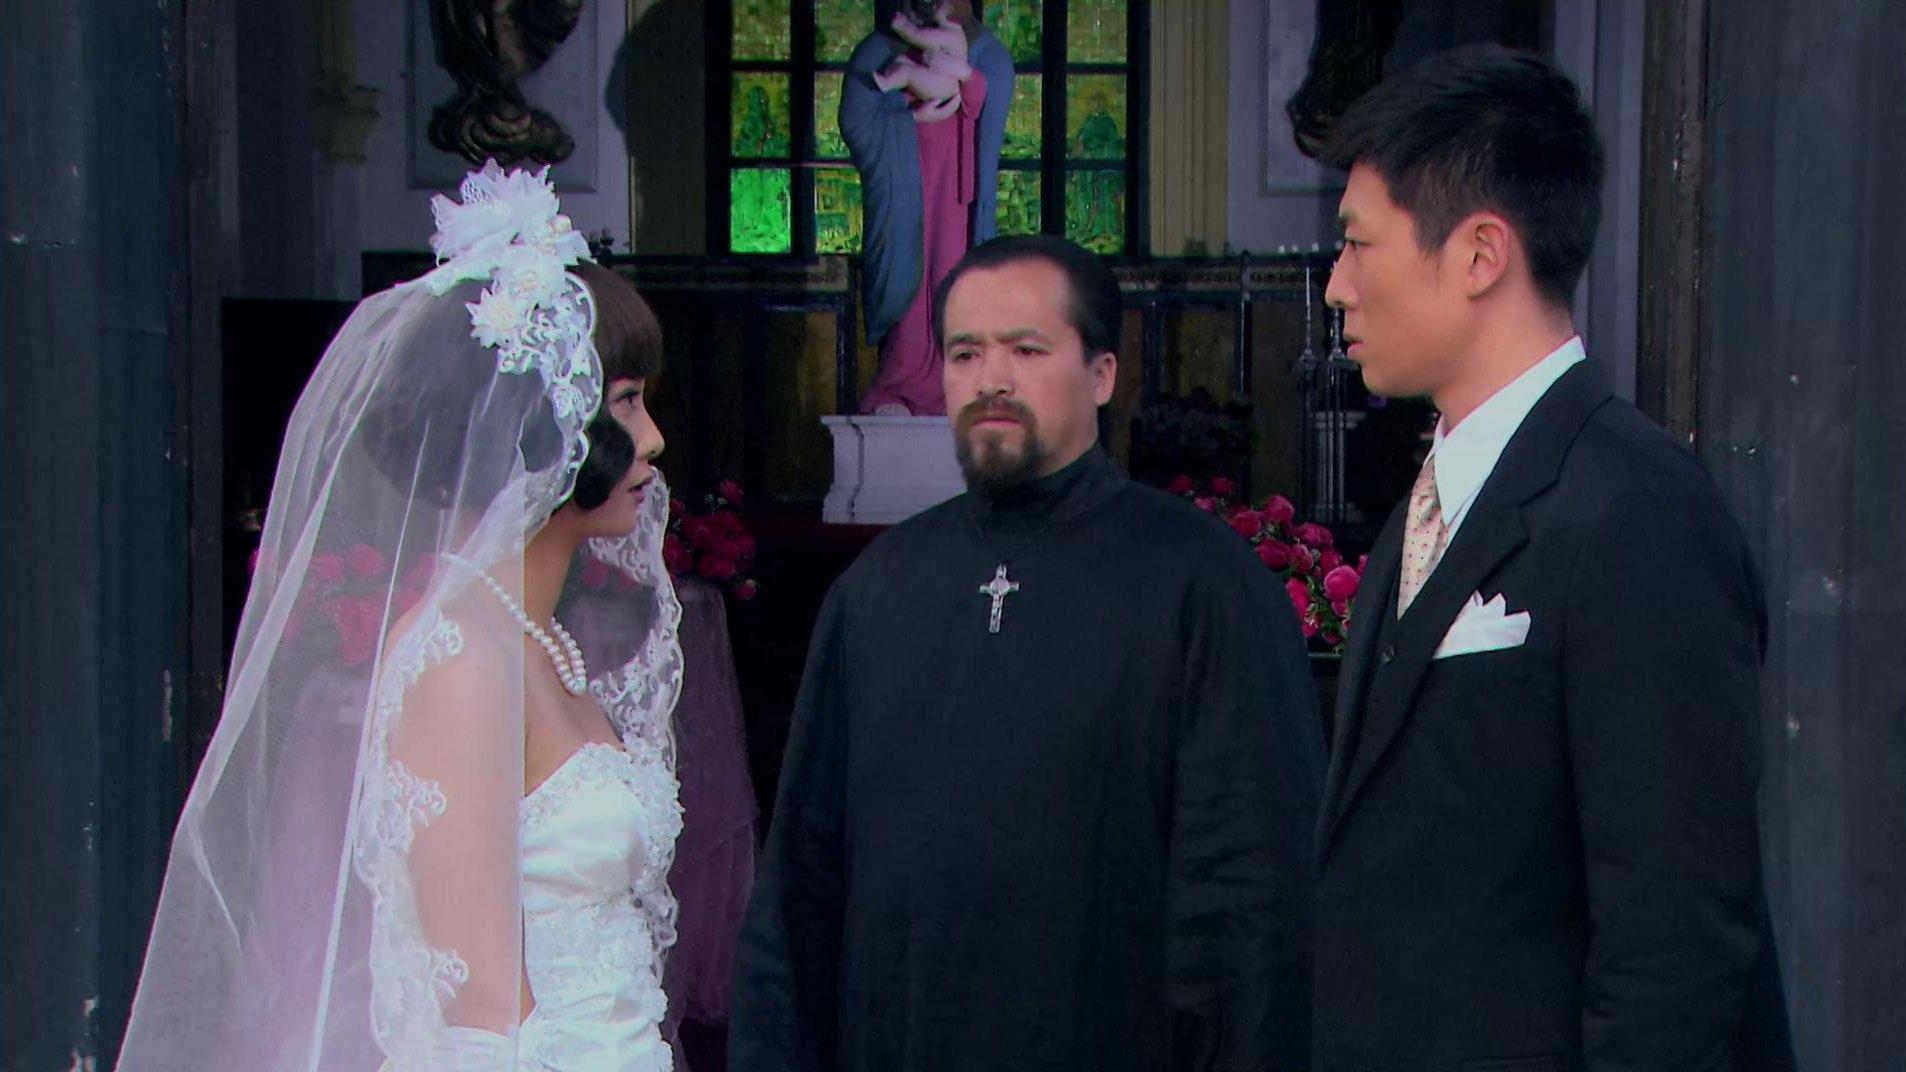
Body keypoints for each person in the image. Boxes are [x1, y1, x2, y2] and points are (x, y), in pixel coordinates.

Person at [117, 163, 689, 1071]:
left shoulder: (536, 642)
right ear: (538, 422)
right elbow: (483, 1020)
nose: (653, 436)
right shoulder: (461, 659)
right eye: (625, 401)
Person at [728, 234, 1323, 1072]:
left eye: (1027, 350)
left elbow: (1252, 910)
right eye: (965, 353)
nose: (991, 380)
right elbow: (801, 886)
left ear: (1103, 374)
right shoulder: (877, 591)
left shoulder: (1204, 585)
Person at [1311, 46, 1795, 1070]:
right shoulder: (1428, 501)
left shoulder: (1639, 513)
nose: (1336, 286)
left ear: (1480, 253)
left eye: (1356, 244)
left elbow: (1675, 939)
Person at [842, 0, 1013, 416]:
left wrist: (967, 81)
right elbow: (856, 117)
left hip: (956, 195)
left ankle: (957, 384)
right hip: (906, 187)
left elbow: (988, 103)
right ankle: (899, 385)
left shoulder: (985, 50)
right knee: (910, 282)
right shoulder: (881, 48)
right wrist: (907, 118)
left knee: (953, 285)